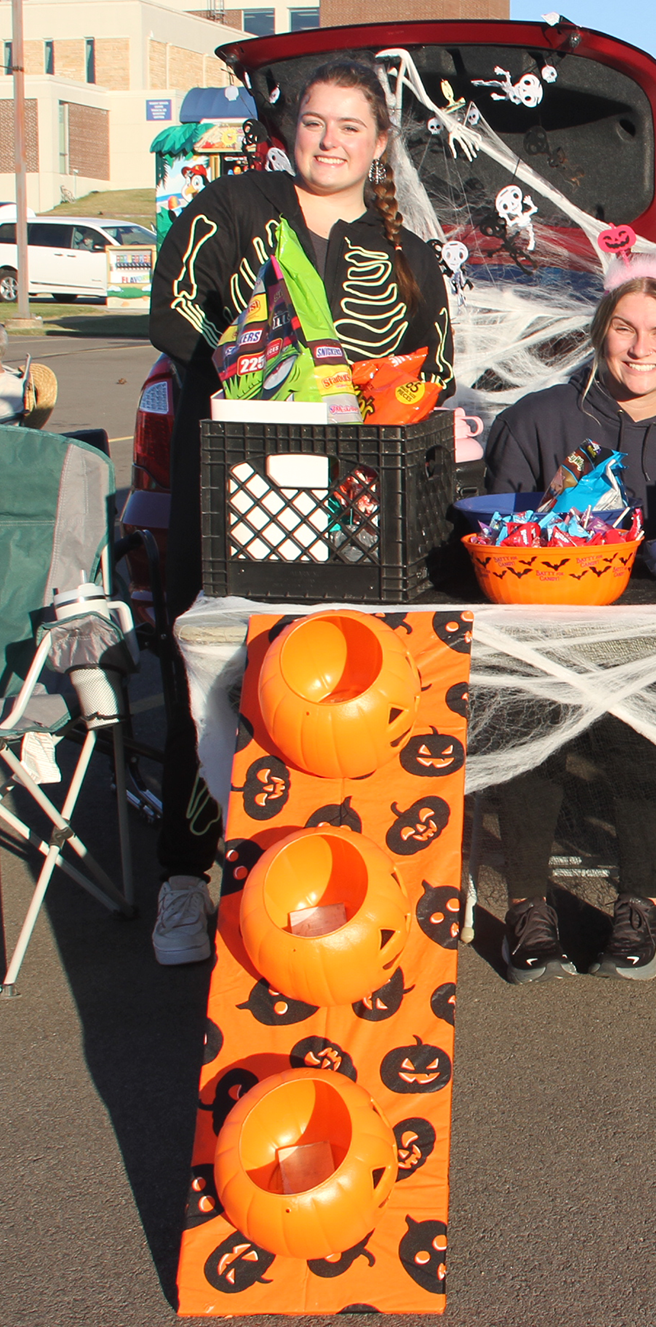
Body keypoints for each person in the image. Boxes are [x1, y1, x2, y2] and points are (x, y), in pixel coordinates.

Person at [147, 58, 453, 966]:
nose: (330, 141)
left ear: (379, 144)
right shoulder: (234, 209)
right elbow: (170, 317)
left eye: (350, 127)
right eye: (315, 123)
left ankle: (347, 868)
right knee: (209, 681)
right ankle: (182, 878)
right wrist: (256, 361)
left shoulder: (410, 256)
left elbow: (433, 375)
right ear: (293, 132)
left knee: (339, 686)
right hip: (233, 490)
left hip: (359, 510)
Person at [484, 271, 656, 983]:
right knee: (526, 714)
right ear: (600, 335)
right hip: (545, 634)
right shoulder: (536, 419)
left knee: (648, 719)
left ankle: (638, 903)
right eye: (625, 328)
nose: (641, 347)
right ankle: (527, 904)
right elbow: (496, 534)